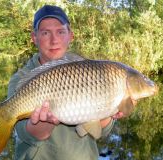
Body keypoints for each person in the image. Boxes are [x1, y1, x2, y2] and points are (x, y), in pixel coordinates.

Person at [7, 5, 123, 160]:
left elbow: (101, 129)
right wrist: (46, 121)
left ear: (71, 35)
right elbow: (26, 134)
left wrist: (110, 109)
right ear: (34, 37)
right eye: (46, 32)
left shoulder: (91, 71)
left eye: (60, 32)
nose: (54, 40)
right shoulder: (21, 78)